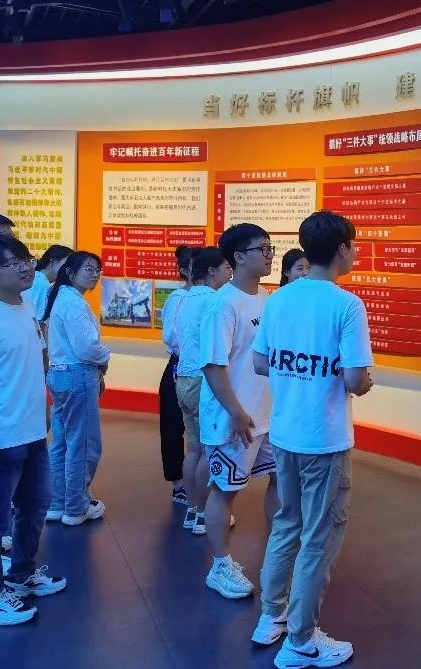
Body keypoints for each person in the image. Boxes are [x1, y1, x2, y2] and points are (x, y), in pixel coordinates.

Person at [251, 211, 373, 667]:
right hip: (324, 439)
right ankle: (301, 640)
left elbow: (260, 363)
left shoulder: (279, 300)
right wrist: (363, 381)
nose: (354, 253)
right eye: (353, 245)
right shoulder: (346, 306)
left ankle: (271, 616)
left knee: (287, 523)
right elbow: (356, 378)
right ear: (341, 249)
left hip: (285, 433)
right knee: (319, 536)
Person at [0, 235, 66, 627]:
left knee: (35, 505)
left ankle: (21, 574)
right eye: (12, 262)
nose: (24, 267)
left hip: (32, 432)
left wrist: (45, 411)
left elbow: (37, 361)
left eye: (26, 259)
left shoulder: (27, 304)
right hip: (1, 437)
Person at [199, 224, 278, 599]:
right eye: (262, 248)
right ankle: (220, 565)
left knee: (281, 481)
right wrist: (235, 411)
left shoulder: (266, 298)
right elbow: (213, 365)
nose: (269, 255)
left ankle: (279, 550)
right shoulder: (222, 304)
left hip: (267, 416)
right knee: (224, 491)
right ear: (239, 256)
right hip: (233, 420)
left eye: (270, 248)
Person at [42, 251, 110, 526]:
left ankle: (57, 503)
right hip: (77, 375)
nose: (94, 274)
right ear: (70, 273)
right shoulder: (73, 302)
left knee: (61, 443)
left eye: (97, 270)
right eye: (88, 269)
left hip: (59, 374)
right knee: (83, 444)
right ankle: (76, 507)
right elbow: (87, 348)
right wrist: (105, 357)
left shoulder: (59, 297)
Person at [174, 247, 232, 536]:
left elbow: (172, 339)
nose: (230, 273)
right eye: (226, 267)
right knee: (210, 450)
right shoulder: (214, 299)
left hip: (183, 378)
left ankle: (191, 510)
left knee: (193, 449)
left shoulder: (184, 298)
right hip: (203, 381)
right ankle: (202, 514)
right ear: (211, 271)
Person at [160, 246, 196, 506]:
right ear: (184, 270)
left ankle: (200, 480)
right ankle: (178, 483)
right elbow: (172, 337)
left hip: (201, 368)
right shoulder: (178, 298)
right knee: (174, 426)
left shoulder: (212, 296)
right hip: (181, 365)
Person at [27, 245, 72, 322]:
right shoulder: (42, 284)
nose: (69, 269)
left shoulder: (37, 278)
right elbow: (36, 319)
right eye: (67, 264)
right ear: (53, 261)